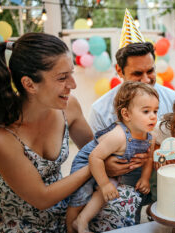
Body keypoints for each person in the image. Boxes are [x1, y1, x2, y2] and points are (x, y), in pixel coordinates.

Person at [0, 33, 93, 232]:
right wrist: (96, 166)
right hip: (19, 226)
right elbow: (42, 198)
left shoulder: (69, 107)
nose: (73, 84)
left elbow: (94, 149)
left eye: (71, 73)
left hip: (63, 213)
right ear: (29, 84)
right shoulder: (3, 137)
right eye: (62, 78)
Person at [67, 81, 159, 233]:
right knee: (80, 197)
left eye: (155, 111)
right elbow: (94, 158)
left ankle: (82, 220)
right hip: (89, 162)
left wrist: (144, 178)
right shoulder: (118, 136)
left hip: (109, 168)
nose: (153, 117)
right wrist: (104, 184)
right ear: (126, 114)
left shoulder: (150, 137)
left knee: (107, 193)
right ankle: (69, 226)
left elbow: (149, 158)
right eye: (146, 111)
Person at [88, 42, 175, 178]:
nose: (146, 79)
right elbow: (92, 154)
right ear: (119, 71)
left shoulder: (174, 101)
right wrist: (106, 165)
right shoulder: (100, 110)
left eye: (150, 71)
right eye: (137, 73)